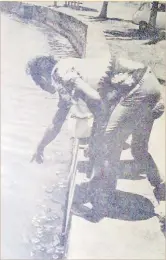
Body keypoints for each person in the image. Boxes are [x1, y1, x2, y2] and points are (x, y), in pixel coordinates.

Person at [26, 55, 165, 199]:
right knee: (138, 148)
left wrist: (95, 141)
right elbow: (57, 122)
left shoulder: (60, 75)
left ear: (42, 78)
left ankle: (103, 198)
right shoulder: (66, 67)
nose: (41, 87)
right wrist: (40, 147)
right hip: (149, 82)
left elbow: (96, 100)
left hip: (137, 88)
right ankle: (160, 186)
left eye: (38, 85)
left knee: (106, 141)